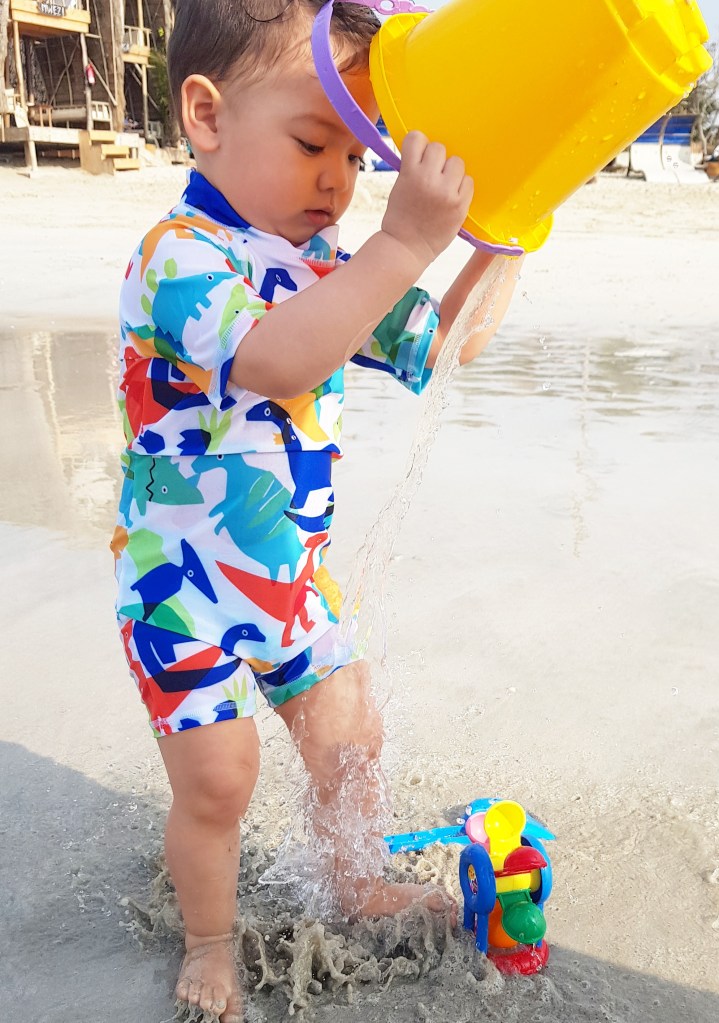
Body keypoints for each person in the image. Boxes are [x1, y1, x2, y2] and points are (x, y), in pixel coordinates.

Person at [110, 0, 522, 1020]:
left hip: (289, 580)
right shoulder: (179, 256)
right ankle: (210, 940)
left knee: (352, 740)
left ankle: (354, 877)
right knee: (221, 780)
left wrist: (508, 228)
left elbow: (447, 343)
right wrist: (403, 243)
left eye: (355, 154)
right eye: (311, 144)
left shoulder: (331, 264)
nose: (339, 180)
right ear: (207, 116)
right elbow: (279, 357)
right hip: (180, 592)